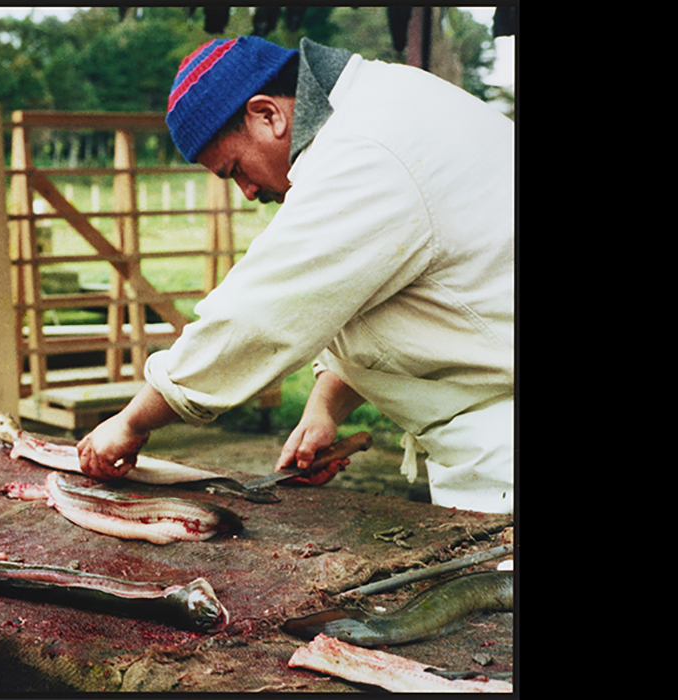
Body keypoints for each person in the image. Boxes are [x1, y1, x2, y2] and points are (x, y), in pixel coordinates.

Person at [76, 36, 514, 514]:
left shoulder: (365, 147)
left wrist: (132, 422)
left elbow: (258, 315)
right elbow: (378, 290)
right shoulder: (380, 107)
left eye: (235, 169)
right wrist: (324, 408)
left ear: (269, 114)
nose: (245, 191)